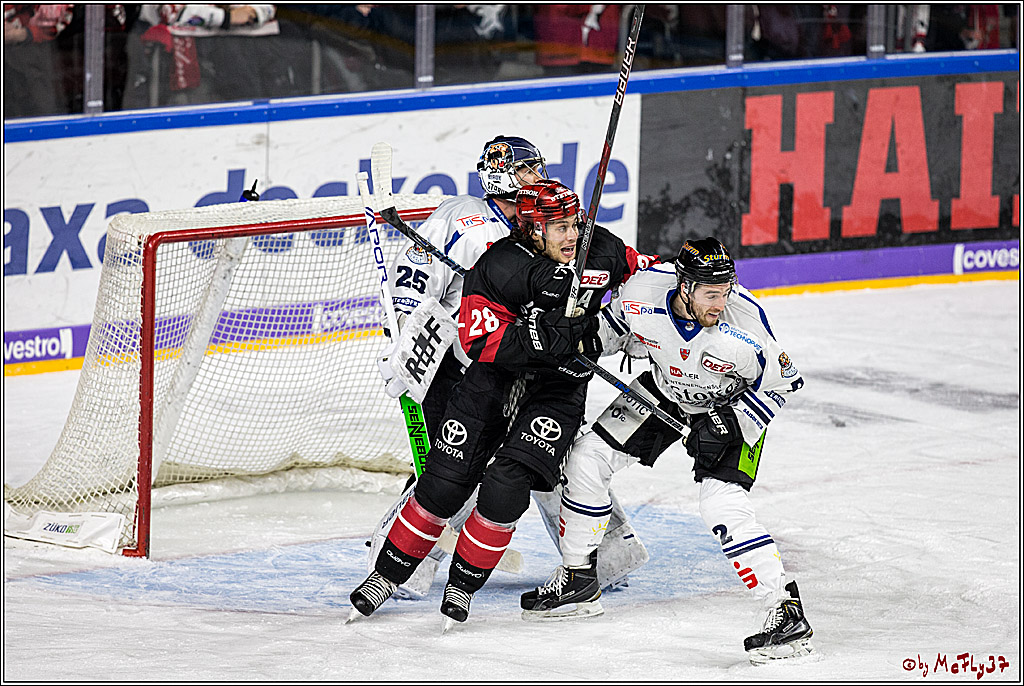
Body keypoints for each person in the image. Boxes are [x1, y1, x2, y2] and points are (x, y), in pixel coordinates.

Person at [351, 180, 652, 627]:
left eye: (574, 224)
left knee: (506, 485)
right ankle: (386, 576)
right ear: (532, 229)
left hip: (557, 391)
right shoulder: (499, 265)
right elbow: (478, 341)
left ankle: (462, 587)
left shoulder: (600, 248)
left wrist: (621, 325)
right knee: (444, 483)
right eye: (558, 227)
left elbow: (650, 277)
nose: (572, 236)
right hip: (494, 377)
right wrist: (551, 337)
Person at [520, 237, 814, 664]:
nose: (721, 302)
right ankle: (578, 577)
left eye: (726, 291)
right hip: (670, 391)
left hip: (731, 407)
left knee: (721, 505)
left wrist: (730, 424)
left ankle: (784, 612)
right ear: (684, 286)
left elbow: (786, 383)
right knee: (587, 457)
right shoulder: (642, 292)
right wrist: (577, 342)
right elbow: (613, 330)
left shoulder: (743, 325)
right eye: (711, 294)